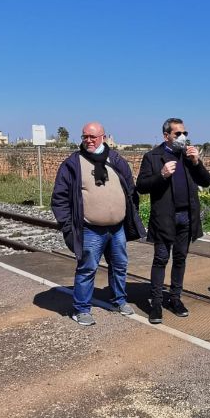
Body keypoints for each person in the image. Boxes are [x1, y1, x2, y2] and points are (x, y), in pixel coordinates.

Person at [51, 122, 146, 326]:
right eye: (85, 136)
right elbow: (59, 198)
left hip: (117, 228)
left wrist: (129, 214)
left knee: (119, 265)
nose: (88, 140)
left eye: (93, 137)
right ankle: (82, 309)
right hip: (90, 229)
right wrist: (68, 225)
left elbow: (130, 190)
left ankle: (119, 301)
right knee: (87, 268)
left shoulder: (117, 160)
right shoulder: (73, 163)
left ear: (103, 137)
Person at [136, 117, 210, 323]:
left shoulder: (188, 157)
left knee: (180, 259)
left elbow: (207, 181)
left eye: (185, 133)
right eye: (178, 134)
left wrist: (196, 162)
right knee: (161, 259)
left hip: (187, 217)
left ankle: (175, 298)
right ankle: (157, 303)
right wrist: (161, 175)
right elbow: (141, 186)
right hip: (165, 217)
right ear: (166, 135)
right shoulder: (153, 157)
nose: (183, 137)